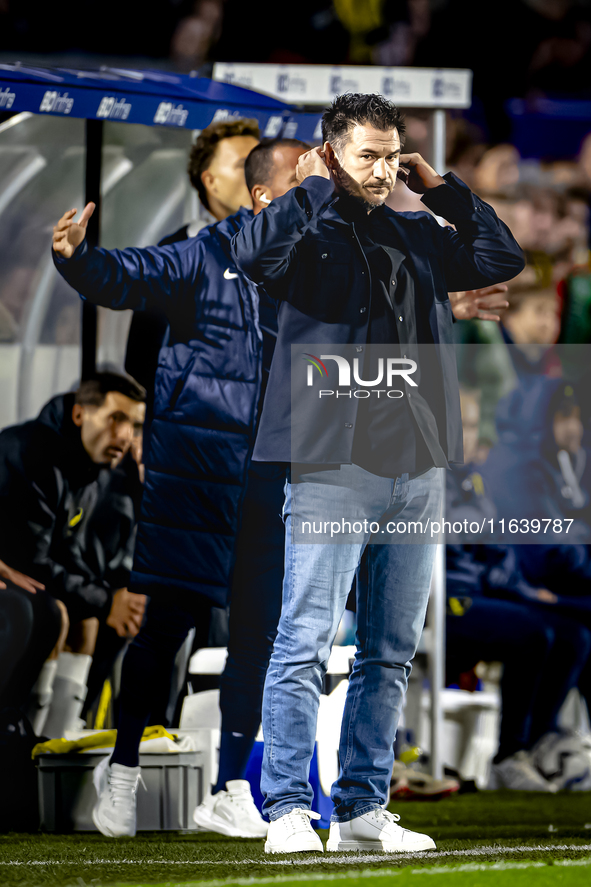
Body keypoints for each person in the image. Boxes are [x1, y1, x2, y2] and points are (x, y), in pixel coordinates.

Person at [231, 93, 525, 854]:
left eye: (389, 154)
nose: (380, 168)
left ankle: (363, 809)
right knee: (302, 639)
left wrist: (438, 186)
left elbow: (500, 258)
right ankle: (290, 808)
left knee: (389, 650)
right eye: (366, 154)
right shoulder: (303, 229)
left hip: (417, 467)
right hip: (332, 461)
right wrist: (306, 189)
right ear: (330, 154)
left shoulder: (414, 226)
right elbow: (250, 256)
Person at [51, 137, 310, 840]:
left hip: (266, 483)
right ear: (267, 198)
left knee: (256, 635)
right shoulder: (203, 256)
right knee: (163, 627)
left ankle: (229, 786)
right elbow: (128, 276)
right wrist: (76, 258)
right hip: (193, 479)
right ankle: (125, 770)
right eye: (306, 181)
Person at [0, 373, 147, 737]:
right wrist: (105, 600)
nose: (126, 435)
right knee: (55, 613)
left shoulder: (86, 473)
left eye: (135, 424)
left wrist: (108, 599)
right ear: (80, 414)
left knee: (88, 622)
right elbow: (31, 559)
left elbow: (67, 550)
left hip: (23, 571)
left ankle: (57, 743)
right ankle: (21, 734)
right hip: (11, 574)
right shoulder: (32, 453)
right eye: (117, 418)